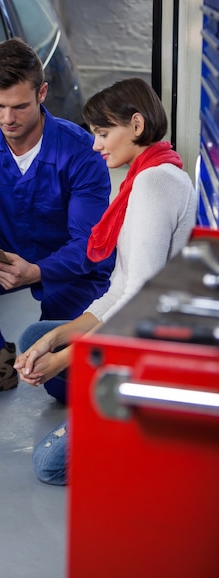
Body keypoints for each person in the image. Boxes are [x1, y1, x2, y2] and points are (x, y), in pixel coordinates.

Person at [14, 77, 197, 485]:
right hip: (137, 325)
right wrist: (58, 336)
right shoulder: (143, 177)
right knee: (33, 337)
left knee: (49, 464)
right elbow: (119, 287)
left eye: (103, 133)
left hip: (152, 347)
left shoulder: (155, 182)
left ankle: (135, 423)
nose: (96, 145)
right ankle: (113, 410)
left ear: (135, 125)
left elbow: (136, 302)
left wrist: (62, 359)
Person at [0, 37, 115, 405]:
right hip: (13, 247)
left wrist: (36, 272)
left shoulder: (81, 152)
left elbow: (87, 245)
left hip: (74, 267)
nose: (7, 119)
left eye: (19, 106)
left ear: (42, 92)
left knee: (62, 388)